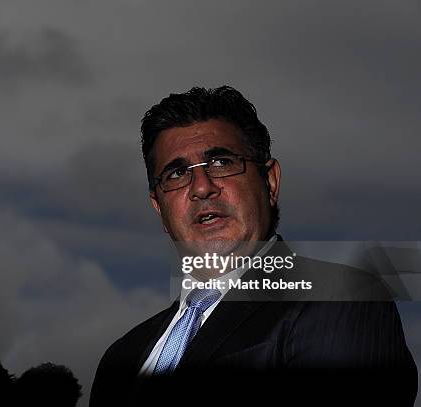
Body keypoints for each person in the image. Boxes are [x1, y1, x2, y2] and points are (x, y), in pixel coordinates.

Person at [89, 86, 417, 406]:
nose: (201, 187)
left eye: (221, 163)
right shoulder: (122, 357)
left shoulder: (341, 299)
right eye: (176, 173)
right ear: (159, 207)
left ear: (270, 182)